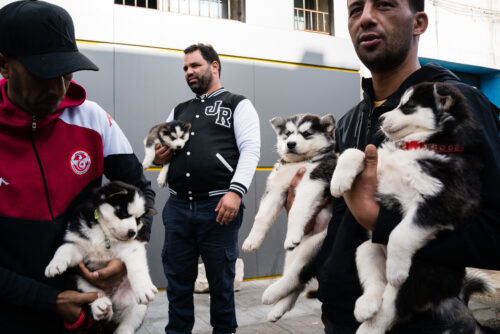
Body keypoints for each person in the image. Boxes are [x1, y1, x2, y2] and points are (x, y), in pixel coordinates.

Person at [288, 0, 500, 333]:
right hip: (343, 318)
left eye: (384, 5)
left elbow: (494, 231)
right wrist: (315, 219)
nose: (366, 18)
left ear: (419, 22)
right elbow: (347, 224)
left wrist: (381, 219)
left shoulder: (457, 105)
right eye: (355, 9)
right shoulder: (349, 121)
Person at [0, 1, 155, 333]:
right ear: (4, 65)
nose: (58, 88)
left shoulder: (94, 119)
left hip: (92, 315)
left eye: (66, 71)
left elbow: (141, 192)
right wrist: (50, 300)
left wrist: (126, 254)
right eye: (44, 73)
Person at [154, 43, 260, 334]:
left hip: (218, 207)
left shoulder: (238, 103)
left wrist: (235, 192)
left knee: (221, 288)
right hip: (177, 209)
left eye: (195, 65)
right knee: (177, 286)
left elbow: (251, 151)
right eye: (185, 68)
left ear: (214, 66)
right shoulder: (179, 109)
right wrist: (158, 155)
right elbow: (159, 151)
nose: (189, 72)